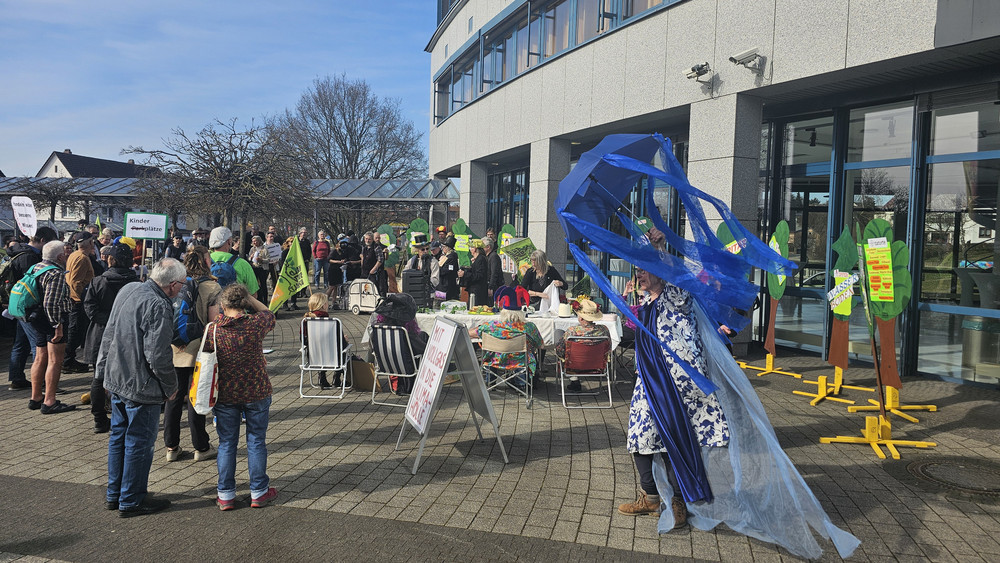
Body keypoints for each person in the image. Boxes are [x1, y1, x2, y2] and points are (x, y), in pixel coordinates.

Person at [99, 258, 186, 517]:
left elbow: (110, 331)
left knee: (119, 436)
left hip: (117, 377)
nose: (182, 289)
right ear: (172, 285)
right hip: (140, 384)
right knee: (138, 441)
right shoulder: (159, 304)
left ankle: (116, 494)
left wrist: (101, 372)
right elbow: (157, 356)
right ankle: (131, 499)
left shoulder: (129, 289)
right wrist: (171, 387)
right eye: (181, 285)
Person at [209, 284, 277, 511]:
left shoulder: (214, 329)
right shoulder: (255, 324)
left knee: (227, 443)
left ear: (222, 304)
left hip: (226, 393)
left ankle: (225, 494)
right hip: (256, 390)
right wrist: (250, 300)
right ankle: (258, 491)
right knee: (256, 440)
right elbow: (269, 313)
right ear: (244, 304)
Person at [164, 246, 221, 462]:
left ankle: (171, 447)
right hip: (198, 348)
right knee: (196, 396)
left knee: (173, 398)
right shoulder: (211, 287)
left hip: (173, 347)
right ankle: (201, 446)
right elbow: (214, 323)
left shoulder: (175, 284)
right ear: (206, 261)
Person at [83, 243, 139, 433]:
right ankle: (124, 416)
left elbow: (90, 309)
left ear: (110, 260)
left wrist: (108, 321)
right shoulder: (138, 285)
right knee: (128, 376)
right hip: (128, 336)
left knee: (98, 377)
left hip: (101, 334)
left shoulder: (98, 282)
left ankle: (99, 419)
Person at [26, 240, 77, 414]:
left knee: (40, 357)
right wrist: (57, 325)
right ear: (60, 256)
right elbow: (51, 303)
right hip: (52, 320)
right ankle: (50, 401)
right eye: (66, 252)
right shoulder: (55, 273)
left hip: (37, 318)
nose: (68, 254)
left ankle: (36, 397)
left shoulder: (35, 267)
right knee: (55, 361)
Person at [5, 226, 57, 391]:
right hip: (30, 307)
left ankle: (16, 378)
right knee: (38, 346)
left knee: (21, 343)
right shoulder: (30, 257)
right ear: (42, 240)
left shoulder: (18, 252)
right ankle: (41, 383)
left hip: (18, 305)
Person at [472, 303, 543, 390]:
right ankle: (522, 384)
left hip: (495, 360)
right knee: (526, 353)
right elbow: (540, 345)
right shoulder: (529, 327)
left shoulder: (491, 326)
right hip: (520, 361)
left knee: (491, 352)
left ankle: (490, 382)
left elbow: (470, 333)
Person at [372, 293, 427, 395]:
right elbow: (425, 350)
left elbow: (372, 349)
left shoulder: (377, 330)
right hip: (406, 367)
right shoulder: (404, 332)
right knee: (423, 337)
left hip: (384, 366)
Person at [555, 299, 610, 392]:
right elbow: (608, 349)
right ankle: (574, 380)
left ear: (581, 318)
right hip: (597, 365)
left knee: (558, 334)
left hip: (574, 365)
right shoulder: (604, 330)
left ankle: (574, 380)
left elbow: (560, 351)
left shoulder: (572, 331)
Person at [302, 292, 349, 389]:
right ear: (323, 305)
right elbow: (340, 343)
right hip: (333, 358)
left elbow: (303, 341)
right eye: (327, 303)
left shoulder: (306, 321)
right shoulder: (333, 322)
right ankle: (337, 378)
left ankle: (321, 377)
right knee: (344, 349)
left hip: (314, 357)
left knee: (320, 348)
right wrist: (345, 340)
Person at [63, 231, 96, 373]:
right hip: (77, 301)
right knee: (75, 331)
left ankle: (69, 359)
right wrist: (79, 300)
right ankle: (67, 361)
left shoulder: (75, 255)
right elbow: (75, 282)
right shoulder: (81, 258)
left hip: (76, 299)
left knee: (76, 330)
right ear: (89, 243)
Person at [208, 226, 259, 294]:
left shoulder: (203, 261)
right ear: (229, 241)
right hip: (233, 303)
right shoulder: (242, 263)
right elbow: (253, 294)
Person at [458, 239, 488, 307]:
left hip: (478, 291)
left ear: (475, 249)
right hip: (474, 290)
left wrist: (465, 274)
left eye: (471, 247)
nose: (470, 250)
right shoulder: (477, 259)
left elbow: (479, 275)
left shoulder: (481, 259)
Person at [360, 231, 386, 296]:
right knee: (365, 289)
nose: (367, 240)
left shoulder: (376, 247)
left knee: (375, 289)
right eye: (366, 239)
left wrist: (374, 269)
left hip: (374, 273)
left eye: (369, 239)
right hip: (365, 272)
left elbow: (380, 260)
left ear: (372, 239)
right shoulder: (364, 247)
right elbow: (362, 258)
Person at [248, 235, 270, 303]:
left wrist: (261, 260)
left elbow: (268, 259)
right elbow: (249, 259)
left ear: (259, 241)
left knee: (263, 284)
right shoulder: (252, 249)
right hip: (254, 268)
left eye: (255, 241)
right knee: (256, 285)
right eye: (253, 241)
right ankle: (259, 300)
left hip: (262, 268)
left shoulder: (264, 249)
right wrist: (250, 257)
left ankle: (265, 300)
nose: (254, 242)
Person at [483, 237, 504, 302]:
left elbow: (494, 272)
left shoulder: (493, 256)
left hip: (494, 286)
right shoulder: (487, 257)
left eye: (482, 246)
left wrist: (490, 287)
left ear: (488, 247)